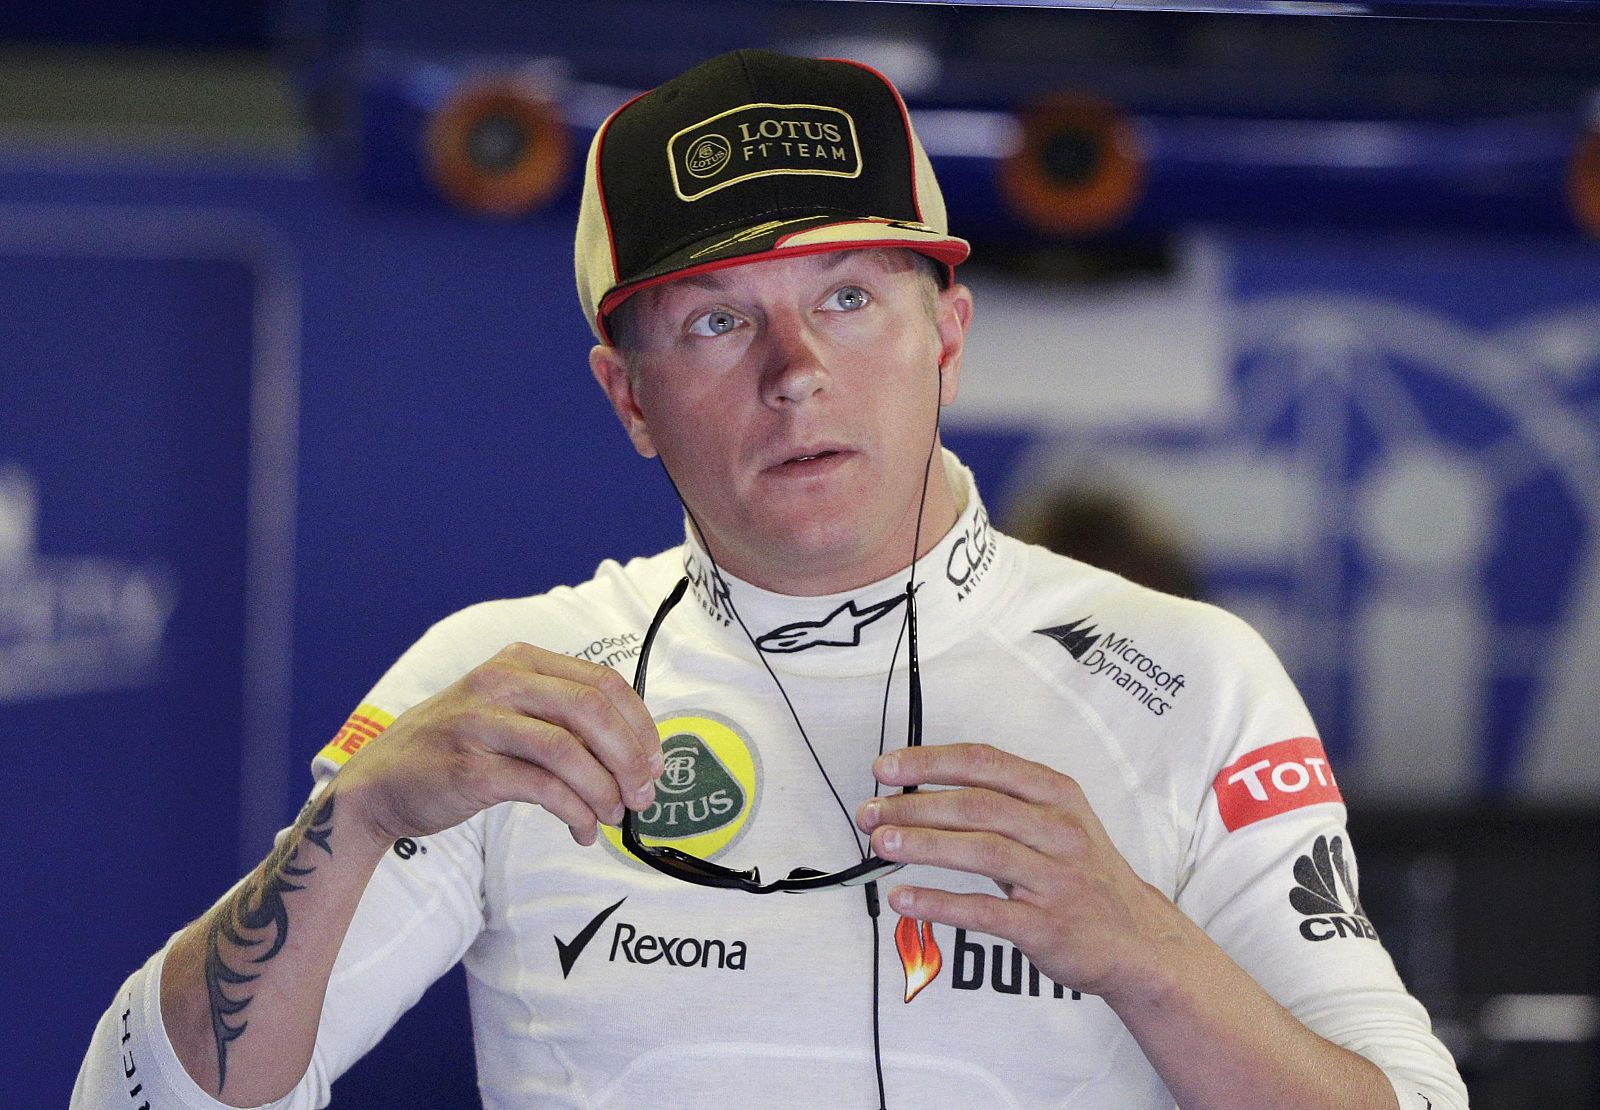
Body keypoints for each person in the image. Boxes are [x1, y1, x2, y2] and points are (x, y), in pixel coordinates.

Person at [74, 49, 1466, 1110]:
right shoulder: (508, 684)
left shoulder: (1188, 677)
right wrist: (357, 813)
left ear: (950, 334)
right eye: (721, 319)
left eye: (849, 298)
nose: (796, 372)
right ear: (628, 397)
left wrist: (1145, 950)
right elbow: (138, 1094)